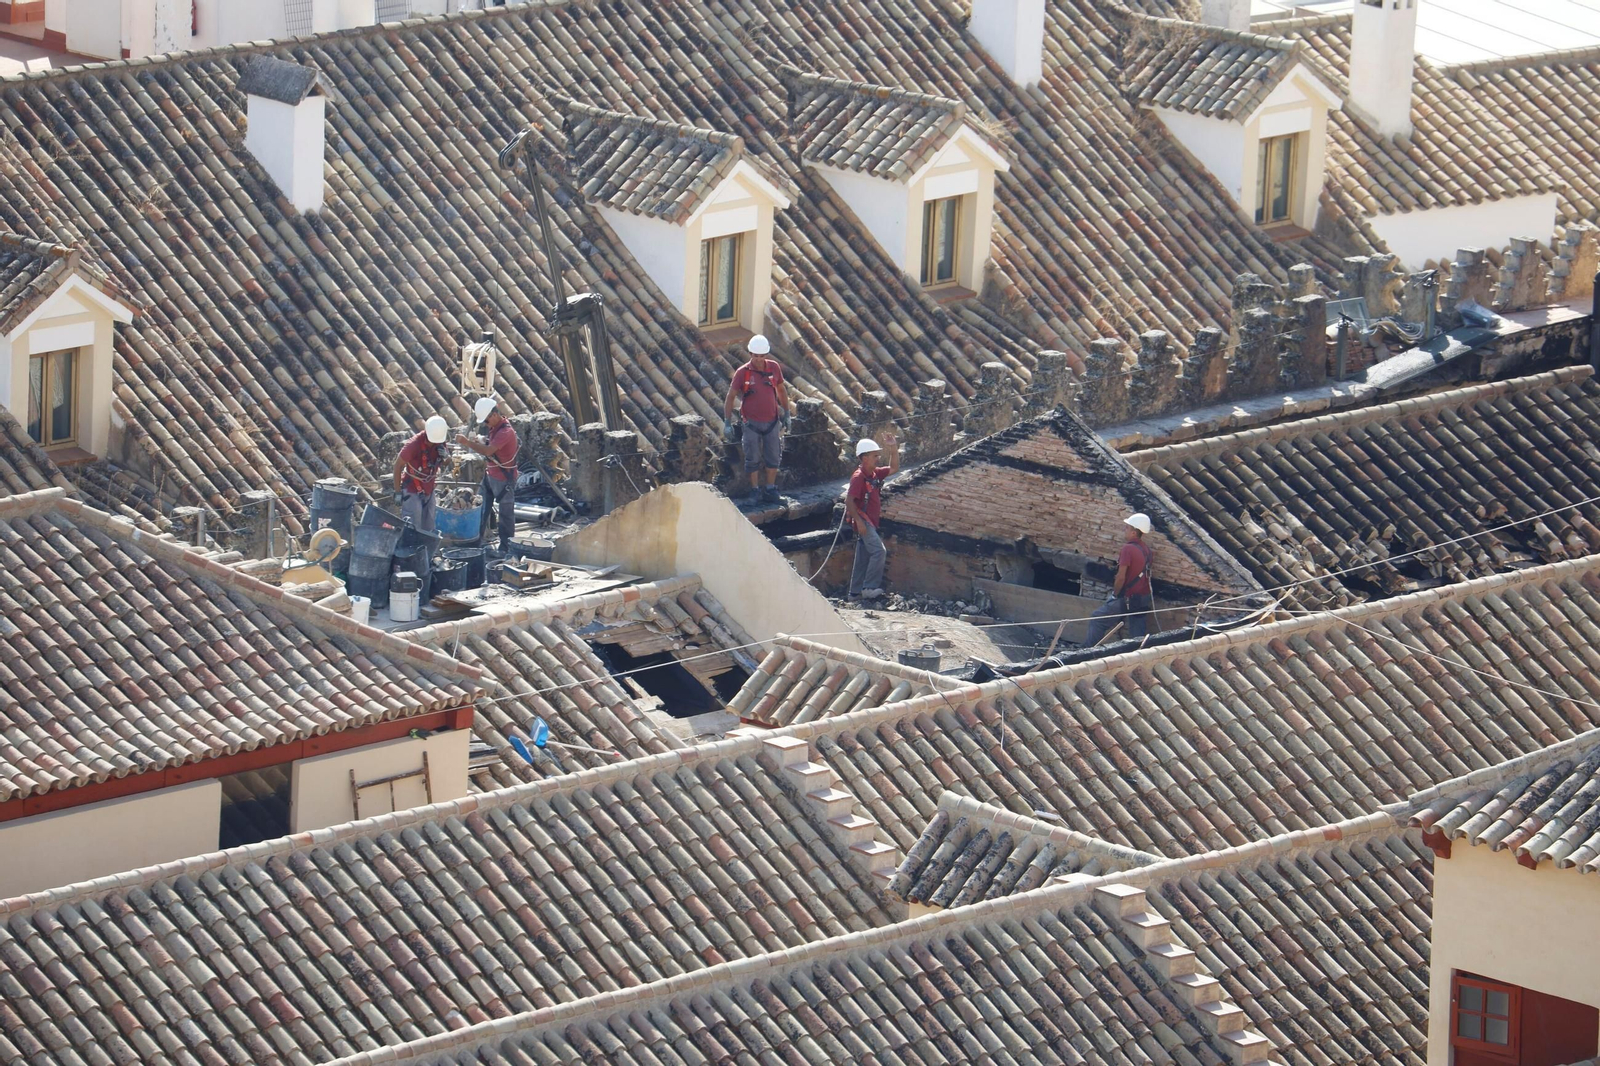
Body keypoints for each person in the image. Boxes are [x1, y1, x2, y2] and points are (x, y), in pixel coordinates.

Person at [722, 335, 791, 503]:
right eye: (755, 356)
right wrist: (727, 421)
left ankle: (770, 489)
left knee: (773, 456)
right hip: (751, 423)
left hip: (772, 421)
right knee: (752, 457)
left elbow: (781, 391)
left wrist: (787, 413)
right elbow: (730, 396)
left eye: (762, 356)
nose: (759, 359)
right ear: (750, 354)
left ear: (766, 355)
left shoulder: (774, 368)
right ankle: (754, 490)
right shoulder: (743, 373)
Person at [456, 396, 519, 554]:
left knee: (505, 516)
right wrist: (482, 440)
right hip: (491, 475)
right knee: (481, 509)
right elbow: (491, 446)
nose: (485, 424)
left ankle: (506, 548)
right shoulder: (495, 428)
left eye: (486, 421)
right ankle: (475, 543)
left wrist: (467, 442)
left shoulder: (505, 431)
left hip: (504, 479)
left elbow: (489, 451)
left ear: (494, 415)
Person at [1085, 513, 1155, 646]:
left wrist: (1115, 595)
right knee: (1137, 633)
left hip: (1127, 597)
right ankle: (1139, 655)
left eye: (1127, 528)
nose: (1125, 530)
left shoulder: (1127, 549)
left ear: (1134, 532)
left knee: (1098, 619)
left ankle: (1088, 651)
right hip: (1143, 598)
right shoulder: (1147, 551)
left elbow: (1121, 577)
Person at [844, 430, 899, 601]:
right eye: (875, 456)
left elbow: (895, 468)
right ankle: (869, 588)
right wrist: (859, 522)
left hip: (870, 522)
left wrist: (894, 449)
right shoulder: (858, 477)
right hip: (864, 521)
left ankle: (854, 593)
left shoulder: (874, 473)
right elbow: (849, 501)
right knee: (879, 552)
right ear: (864, 458)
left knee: (863, 556)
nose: (877, 459)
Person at [392, 415, 449, 533]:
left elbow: (447, 462)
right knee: (412, 527)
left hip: (429, 489)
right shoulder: (413, 445)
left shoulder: (440, 442)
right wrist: (397, 491)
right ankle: (409, 550)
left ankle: (426, 549)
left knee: (429, 526)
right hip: (412, 489)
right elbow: (398, 466)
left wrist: (446, 457)